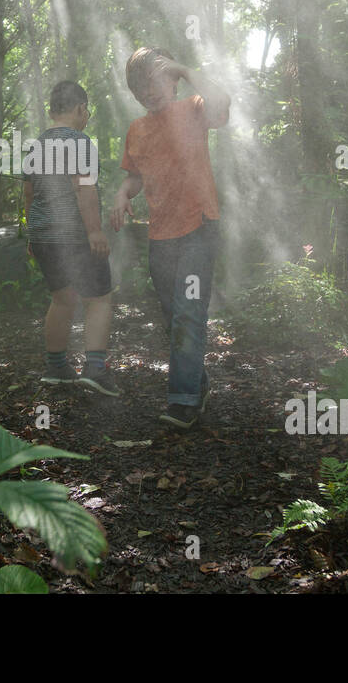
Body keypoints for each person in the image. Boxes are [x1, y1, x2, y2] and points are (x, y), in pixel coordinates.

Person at [109, 48, 230, 428]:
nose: (150, 90)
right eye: (140, 86)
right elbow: (135, 176)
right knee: (171, 316)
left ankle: (183, 402)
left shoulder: (194, 107)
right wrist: (121, 194)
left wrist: (184, 68)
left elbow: (222, 104)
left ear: (173, 81)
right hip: (160, 236)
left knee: (189, 312)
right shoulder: (137, 130)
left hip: (198, 227)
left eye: (158, 79)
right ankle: (198, 385)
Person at [24, 81, 118, 396]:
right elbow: (84, 188)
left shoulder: (36, 144)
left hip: (43, 237)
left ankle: (57, 368)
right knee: (99, 298)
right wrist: (94, 230)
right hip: (75, 236)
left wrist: (32, 232)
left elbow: (29, 192)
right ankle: (94, 369)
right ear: (80, 109)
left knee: (62, 298)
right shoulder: (80, 142)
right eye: (86, 110)